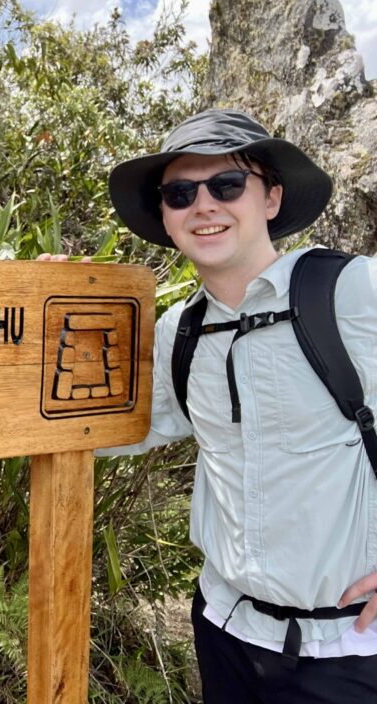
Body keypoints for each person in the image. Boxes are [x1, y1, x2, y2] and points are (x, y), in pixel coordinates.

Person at [104, 108, 377, 702]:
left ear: (271, 199)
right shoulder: (182, 331)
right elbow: (109, 425)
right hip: (225, 631)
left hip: (348, 650)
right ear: (166, 217)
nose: (203, 205)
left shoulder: (351, 292)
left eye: (227, 185)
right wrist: (42, 319)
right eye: (180, 193)